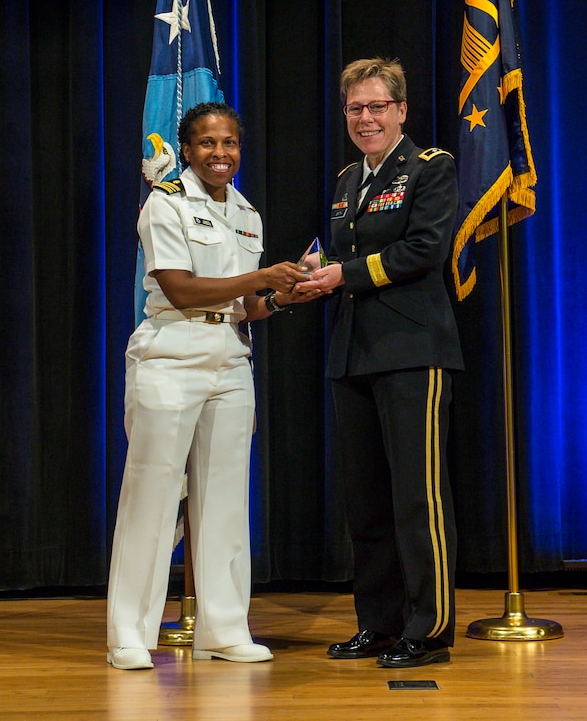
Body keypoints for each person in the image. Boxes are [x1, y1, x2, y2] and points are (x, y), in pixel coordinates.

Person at [106, 102, 320, 670]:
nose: (220, 153)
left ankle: (223, 630)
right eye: (206, 143)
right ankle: (130, 632)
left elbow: (245, 304)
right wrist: (260, 277)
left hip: (229, 356)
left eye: (229, 143)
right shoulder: (166, 202)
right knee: (151, 495)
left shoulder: (246, 213)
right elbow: (180, 289)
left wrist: (281, 295)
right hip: (170, 354)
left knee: (225, 498)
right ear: (188, 148)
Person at [298, 58, 462, 668]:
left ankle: (431, 627)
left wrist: (345, 274)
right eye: (355, 109)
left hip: (413, 350)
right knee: (366, 504)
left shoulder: (432, 167)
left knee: (418, 498)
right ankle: (381, 624)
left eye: (376, 107)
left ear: (400, 111)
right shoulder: (347, 180)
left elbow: (424, 249)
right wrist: (309, 275)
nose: (365, 118)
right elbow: (336, 252)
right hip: (355, 351)